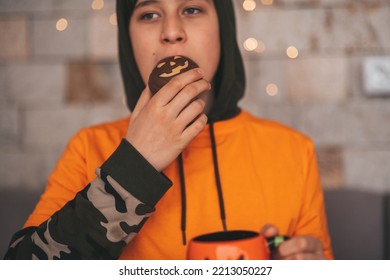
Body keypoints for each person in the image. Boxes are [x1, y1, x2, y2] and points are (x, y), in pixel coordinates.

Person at [4, 0, 333, 260]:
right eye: (149, 14)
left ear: (223, 27)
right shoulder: (88, 148)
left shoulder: (293, 150)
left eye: (192, 10)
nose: (172, 31)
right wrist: (134, 164)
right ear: (128, 38)